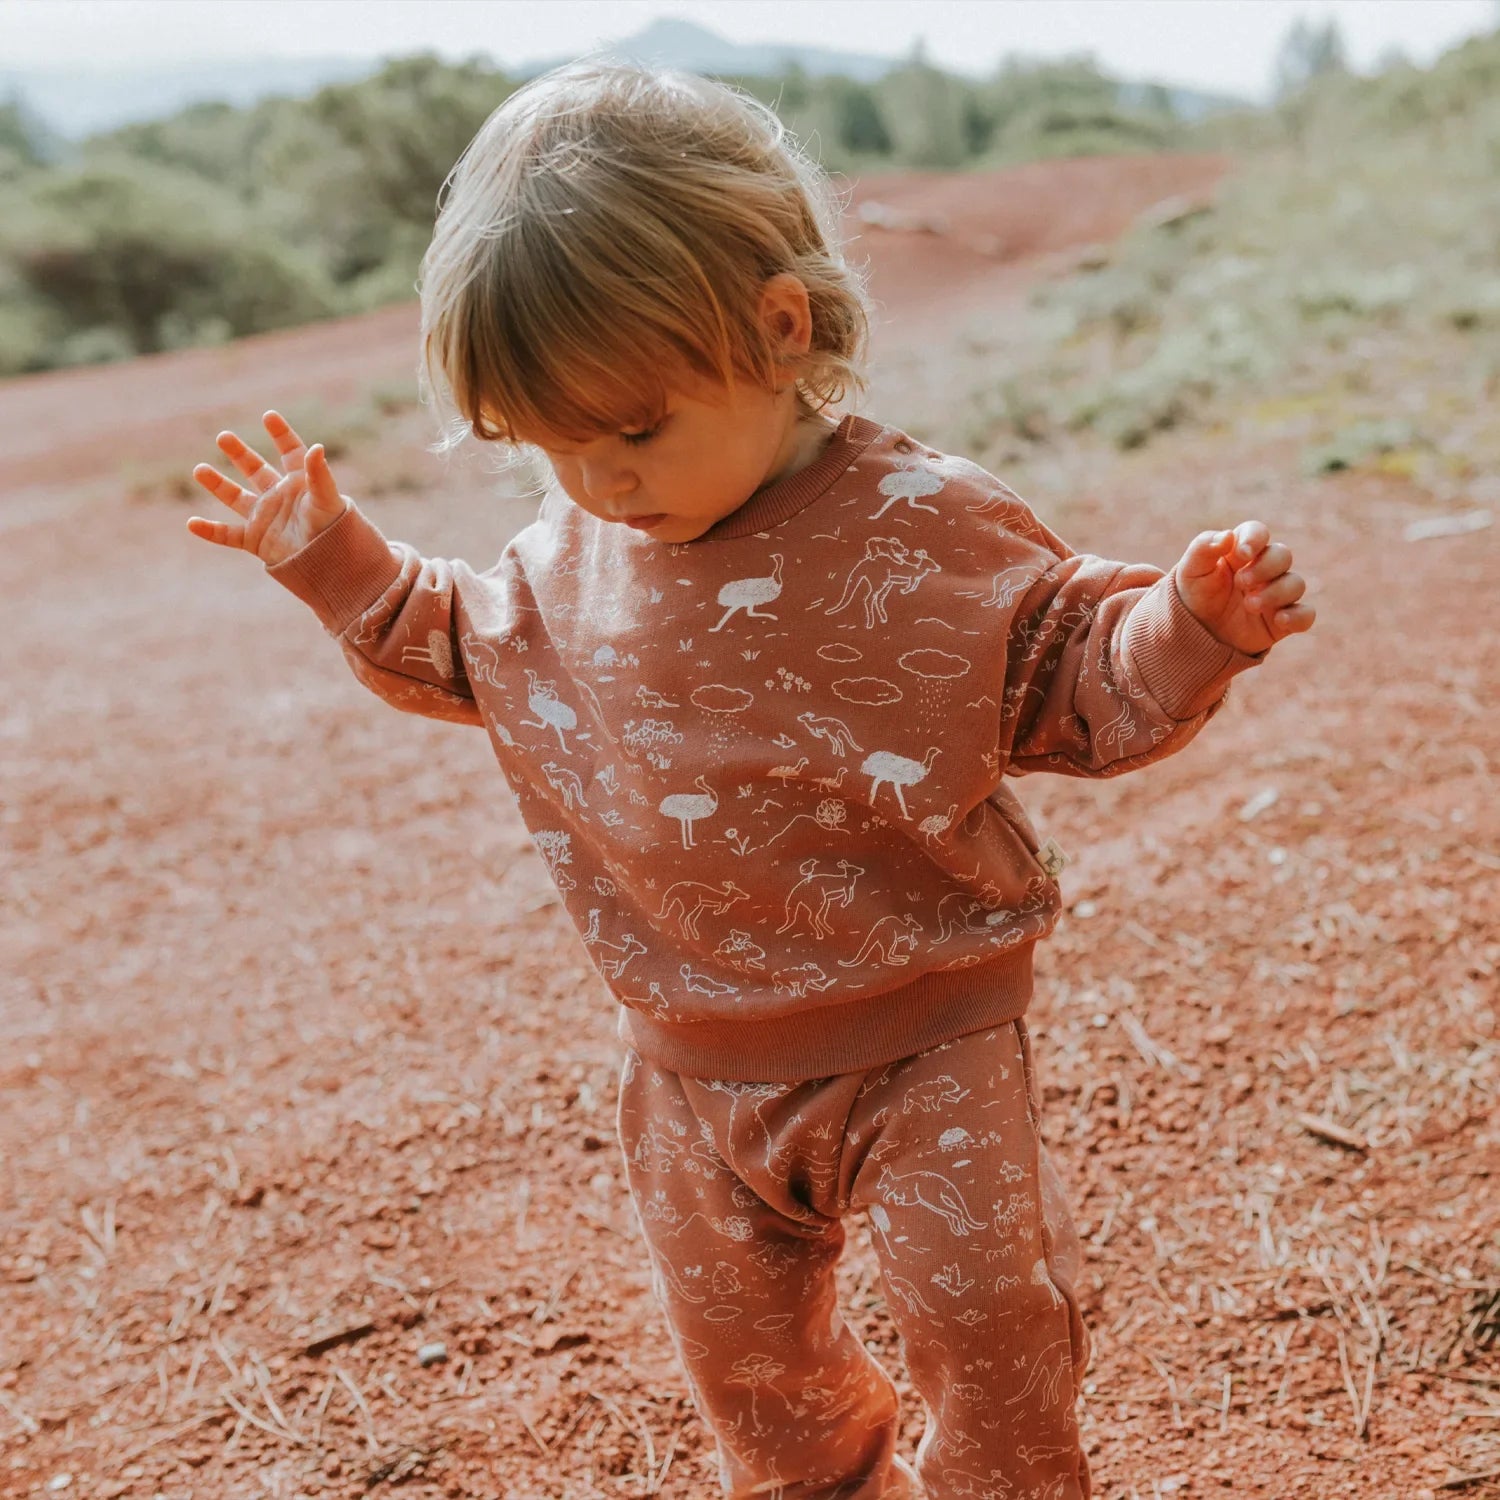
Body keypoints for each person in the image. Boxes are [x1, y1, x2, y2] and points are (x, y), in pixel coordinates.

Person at [187, 63, 1314, 1500]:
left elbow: (1074, 683)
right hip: (690, 1067)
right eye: (548, 447)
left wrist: (1189, 627)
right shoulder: (566, 566)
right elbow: (459, 651)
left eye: (634, 429)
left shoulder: (922, 528)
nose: (596, 481)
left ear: (781, 329)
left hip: (929, 1042)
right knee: (759, 1388)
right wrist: (334, 561)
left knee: (993, 1331)